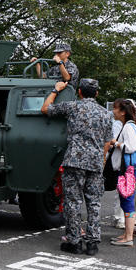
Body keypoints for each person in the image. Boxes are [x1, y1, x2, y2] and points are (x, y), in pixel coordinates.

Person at [41, 78, 113, 256]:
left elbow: (45, 109)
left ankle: (74, 241)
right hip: (95, 163)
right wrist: (101, 160)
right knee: (94, 203)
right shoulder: (106, 114)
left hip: (74, 161)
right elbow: (108, 141)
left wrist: (56, 90)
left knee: (73, 203)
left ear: (80, 92)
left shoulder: (73, 107)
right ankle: (92, 243)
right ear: (96, 93)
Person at [108, 99, 136, 247]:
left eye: (115, 108)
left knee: (128, 201)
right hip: (127, 169)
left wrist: (115, 143)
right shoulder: (129, 125)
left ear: (123, 112)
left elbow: (130, 147)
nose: (113, 111)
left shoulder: (129, 127)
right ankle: (126, 234)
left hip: (127, 170)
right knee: (125, 200)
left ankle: (129, 237)